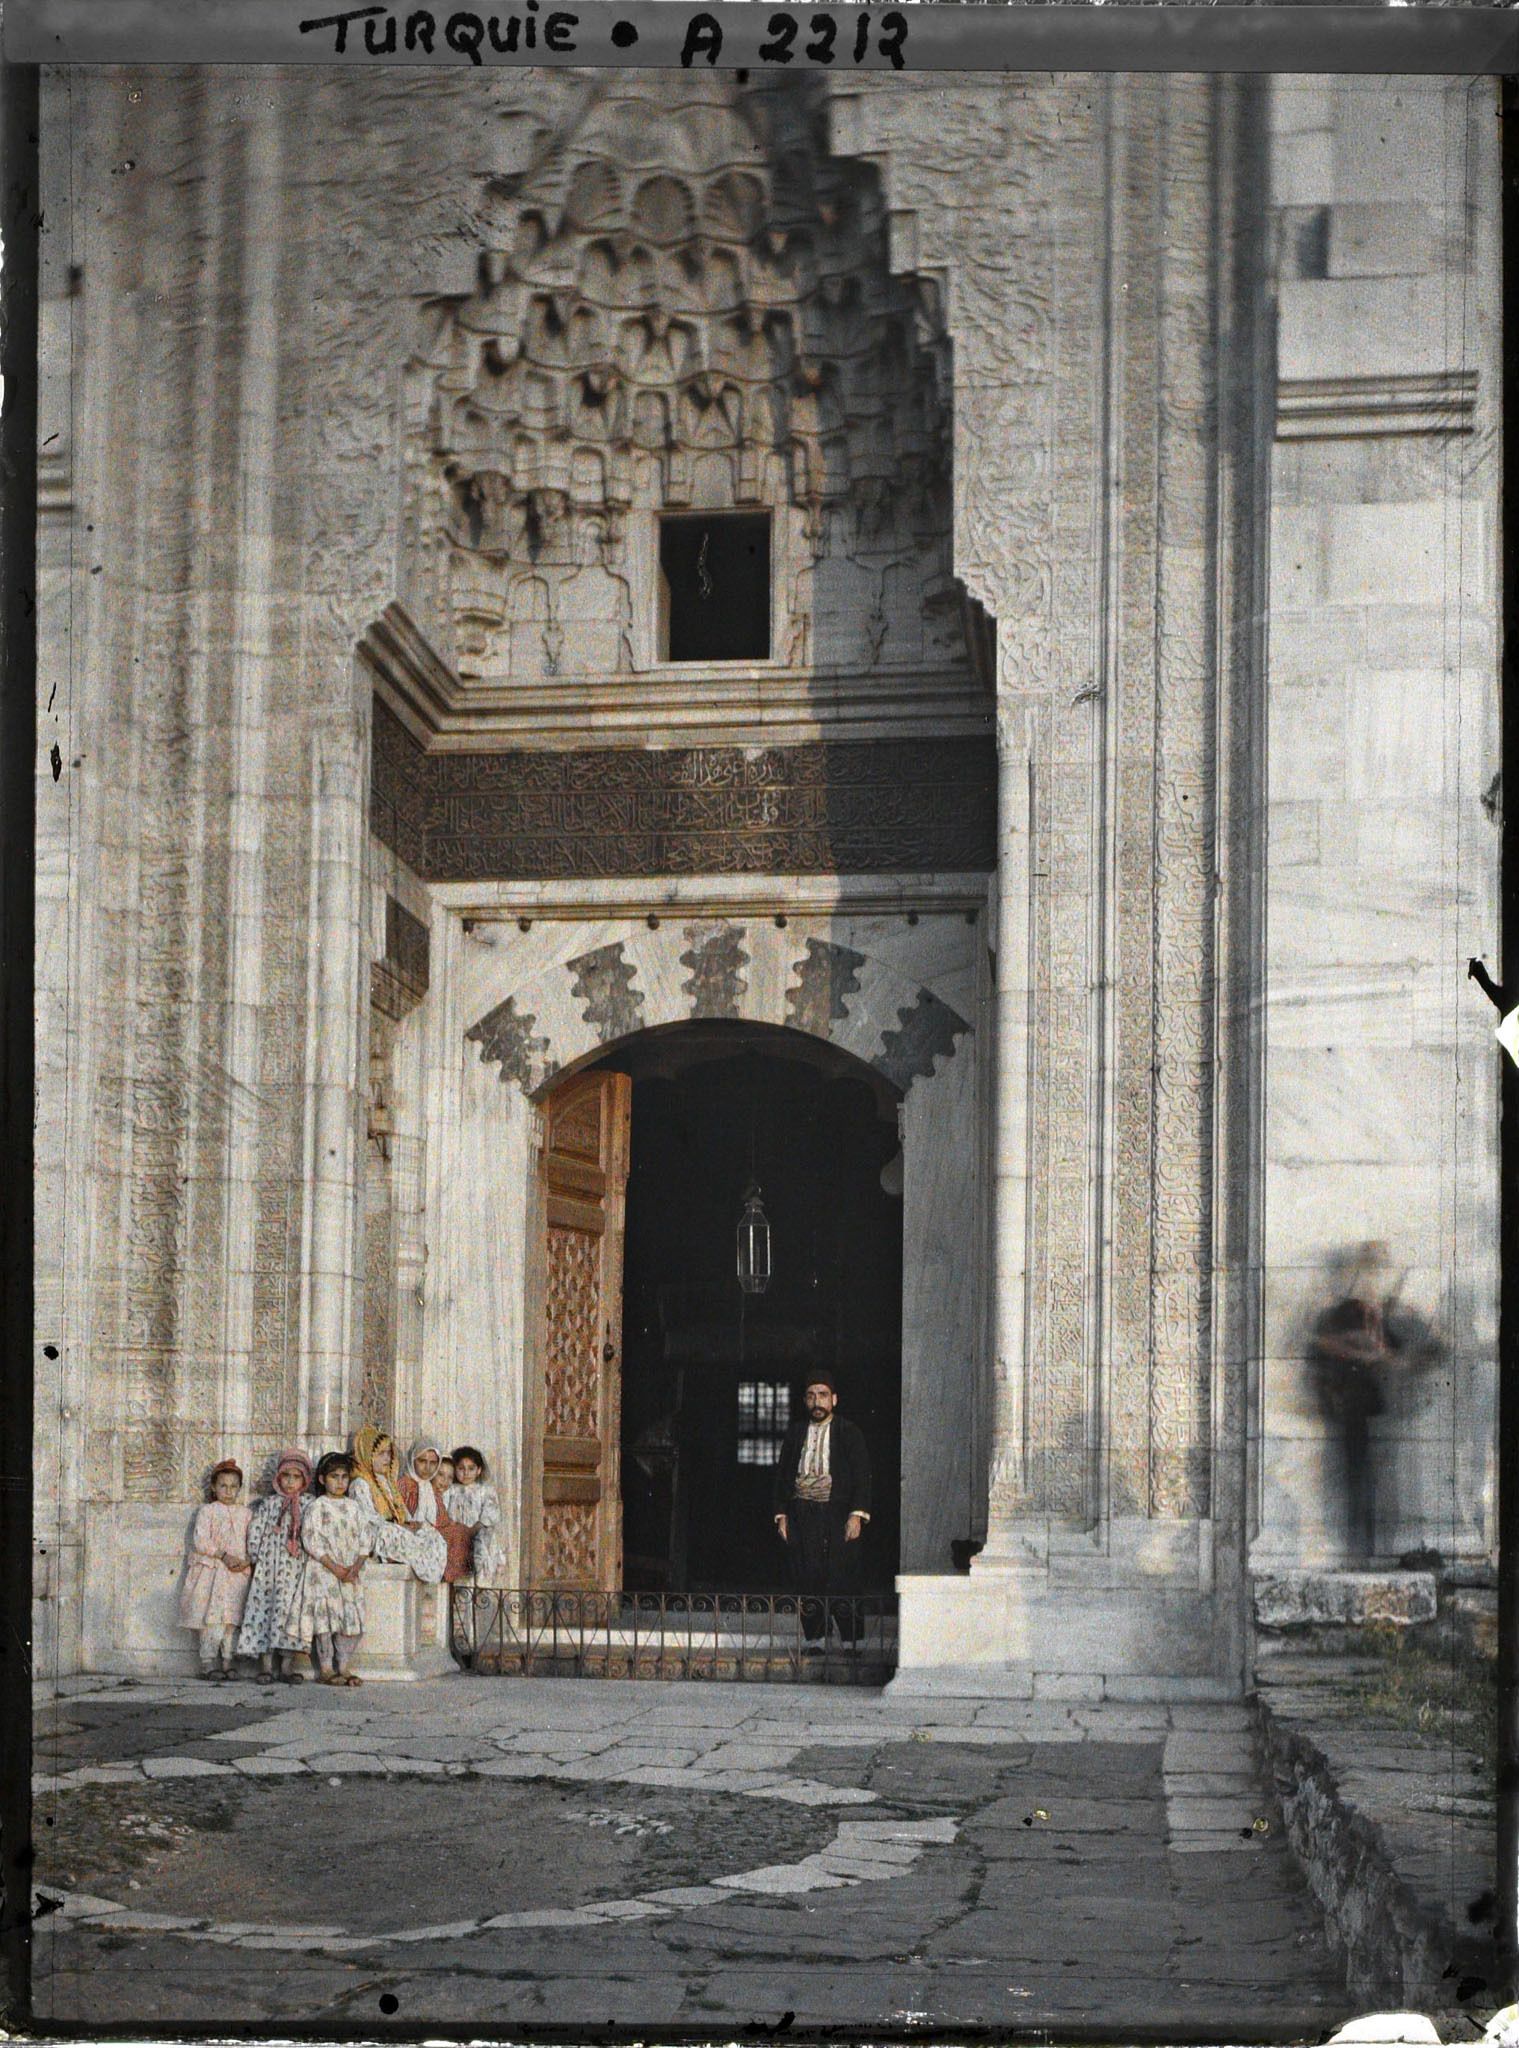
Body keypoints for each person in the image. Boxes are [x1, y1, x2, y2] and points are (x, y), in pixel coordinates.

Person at [772, 1371, 872, 1644]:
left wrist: (856, 1515)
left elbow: (862, 1475)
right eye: (811, 1396)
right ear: (805, 1400)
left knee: (842, 1574)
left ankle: (851, 1641)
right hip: (802, 1513)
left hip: (837, 1513)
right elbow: (782, 1475)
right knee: (807, 1574)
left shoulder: (849, 1432)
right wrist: (782, 1515)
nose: (817, 1402)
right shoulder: (795, 1433)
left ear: (834, 1399)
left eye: (823, 1395)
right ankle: (815, 1640)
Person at [237, 1449, 313, 1685]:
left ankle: (287, 1667)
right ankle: (266, 1667)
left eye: (296, 1477)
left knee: (290, 1615)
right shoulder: (269, 1504)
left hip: (295, 1568)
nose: (290, 1482)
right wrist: (254, 1556)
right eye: (286, 1476)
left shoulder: (308, 1504)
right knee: (265, 1612)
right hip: (269, 1567)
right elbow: (256, 1530)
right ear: (278, 1477)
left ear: (304, 1480)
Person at [297, 1451, 374, 1686]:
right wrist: (334, 1567)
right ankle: (326, 1668)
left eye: (344, 1477)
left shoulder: (354, 1508)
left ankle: (344, 1666)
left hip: (350, 1572)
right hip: (325, 1571)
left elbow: (366, 1538)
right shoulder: (317, 1507)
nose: (340, 1482)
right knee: (326, 1620)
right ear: (322, 1479)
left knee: (349, 1618)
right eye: (334, 1477)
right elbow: (311, 1540)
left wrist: (355, 1567)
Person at [178, 1459, 253, 1681]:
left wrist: (247, 1561)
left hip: (236, 1573)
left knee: (231, 1618)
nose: (228, 1491)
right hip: (212, 1571)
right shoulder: (207, 1511)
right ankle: (208, 1663)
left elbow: (252, 1540)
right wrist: (223, 1555)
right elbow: (200, 1540)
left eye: (233, 1486)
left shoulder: (246, 1513)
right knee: (212, 1619)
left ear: (239, 1488)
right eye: (223, 1486)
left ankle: (228, 1662)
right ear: (213, 1487)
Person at [350, 1424, 447, 1583]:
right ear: (367, 1454)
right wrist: (398, 1526)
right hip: (375, 1531)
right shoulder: (360, 1483)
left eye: (389, 1453)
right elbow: (367, 1518)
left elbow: (398, 1511)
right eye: (381, 1454)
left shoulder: (388, 1481)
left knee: (432, 1535)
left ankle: (429, 1574)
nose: (387, 1459)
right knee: (392, 1533)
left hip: (394, 1527)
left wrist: (410, 1524)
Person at [401, 1436, 471, 1583]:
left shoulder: (428, 1488)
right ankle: (447, 1578)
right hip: (412, 1532)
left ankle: (452, 1582)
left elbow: (441, 1519)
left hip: (430, 1531)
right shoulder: (404, 1485)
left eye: (433, 1463)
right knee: (457, 1534)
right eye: (422, 1461)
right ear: (413, 1459)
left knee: (462, 1532)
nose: (427, 1468)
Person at [445, 1445, 504, 1584]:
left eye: (471, 1469)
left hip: (479, 1535)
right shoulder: (450, 1490)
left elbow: (489, 1515)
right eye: (461, 1468)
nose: (466, 1473)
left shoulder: (485, 1491)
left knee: (480, 1565)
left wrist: (472, 1531)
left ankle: (482, 1590)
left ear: (479, 1470)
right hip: (457, 1536)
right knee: (461, 1578)